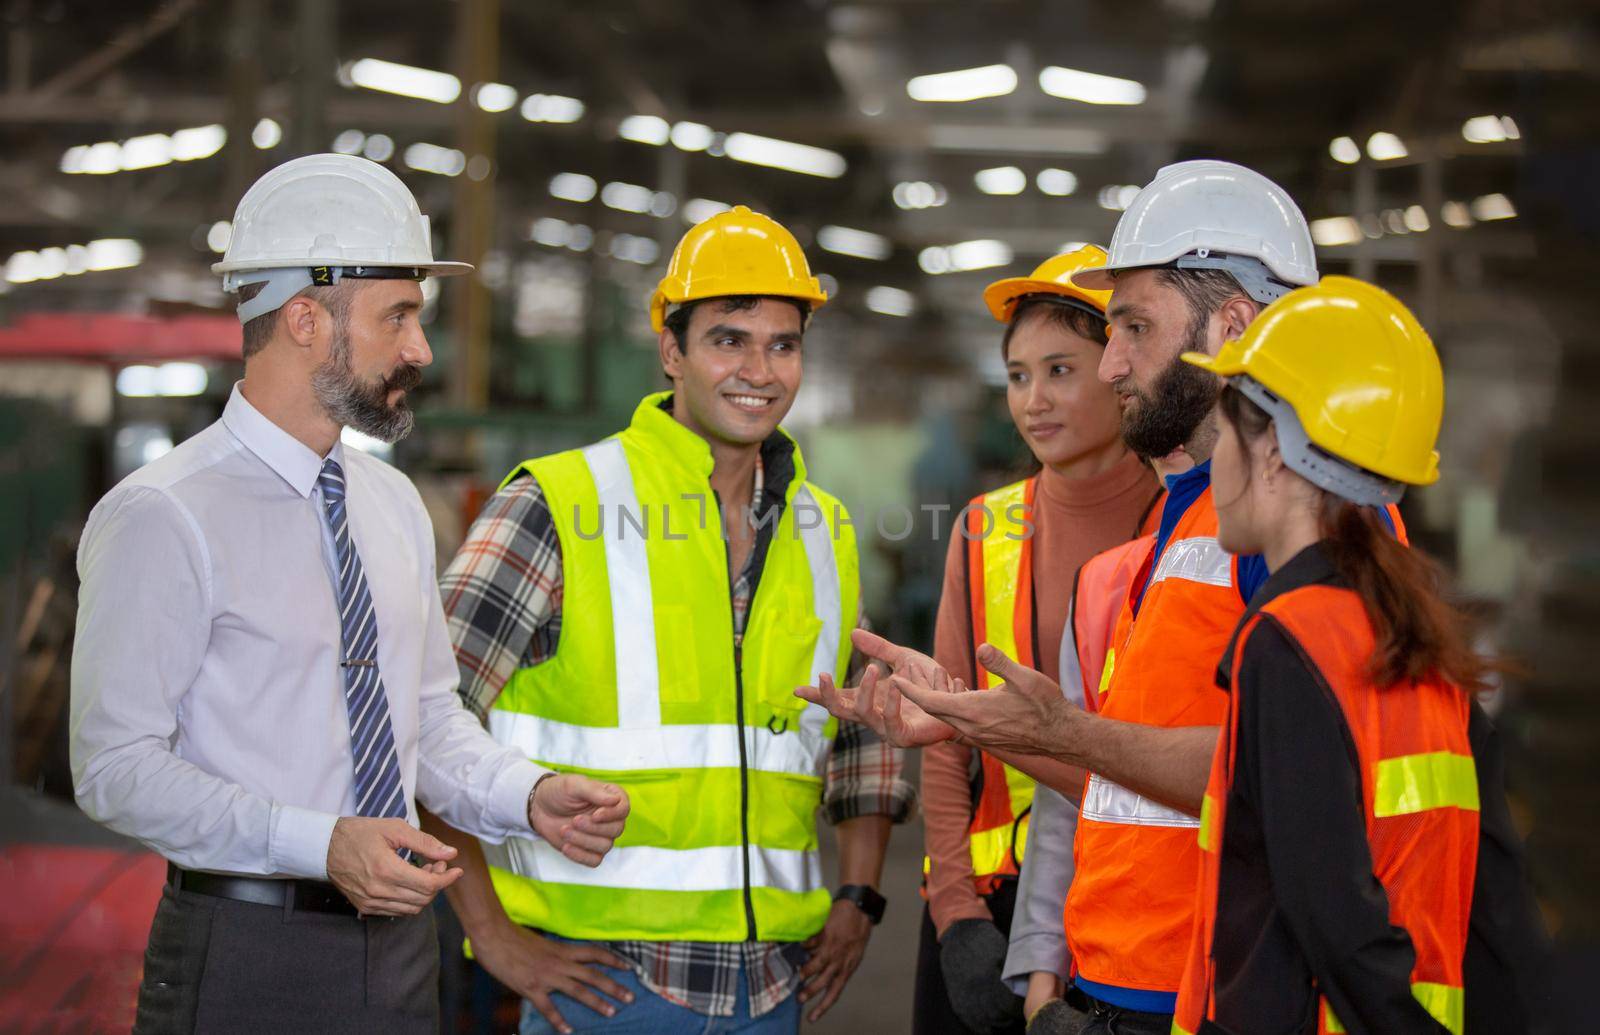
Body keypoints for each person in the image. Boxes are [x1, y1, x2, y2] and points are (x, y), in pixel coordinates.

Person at [69, 153, 628, 1034]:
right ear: (303, 318)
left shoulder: (391, 503)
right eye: (397, 316)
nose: (421, 348)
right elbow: (113, 768)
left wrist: (526, 794)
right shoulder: (163, 514)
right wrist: (319, 842)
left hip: (401, 949)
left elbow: (429, 721)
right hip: (244, 952)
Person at [800, 160, 1361, 1034]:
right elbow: (1124, 781)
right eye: (1020, 375)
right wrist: (1033, 958)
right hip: (1121, 966)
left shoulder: (1285, 516)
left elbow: (1269, 774)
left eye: (1129, 329)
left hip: (1212, 975)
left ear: (1234, 325)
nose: (1112, 365)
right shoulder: (1172, 526)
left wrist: (1049, 733)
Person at [427, 205, 916, 1034]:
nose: (758, 369)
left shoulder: (820, 528)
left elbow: (862, 732)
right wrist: (495, 938)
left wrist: (859, 895)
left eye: (783, 344)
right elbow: (423, 718)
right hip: (606, 988)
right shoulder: (557, 502)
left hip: (771, 989)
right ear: (671, 351)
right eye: (729, 338)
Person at [1169, 276, 1491, 1034]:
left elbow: (1334, 919)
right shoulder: (1419, 634)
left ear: (1274, 452)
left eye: (1222, 433)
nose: (1210, 469)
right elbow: (1493, 902)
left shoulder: (1288, 641)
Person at [916, 246, 1161, 1035]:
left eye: (1060, 369)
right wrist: (955, 914)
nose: (1033, 401)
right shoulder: (985, 528)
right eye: (1018, 376)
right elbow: (946, 733)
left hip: (1123, 904)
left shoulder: (1186, 528)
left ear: (1121, 366)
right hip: (983, 908)